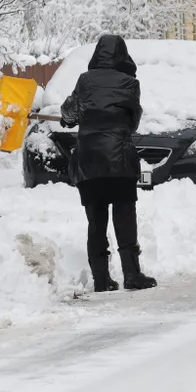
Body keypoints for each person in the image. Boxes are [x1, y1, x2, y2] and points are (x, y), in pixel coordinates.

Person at [61, 34, 158, 292]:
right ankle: (132, 274)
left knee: (96, 221)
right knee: (124, 216)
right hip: (119, 159)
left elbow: (69, 112)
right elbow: (133, 119)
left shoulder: (84, 80)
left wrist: (70, 120)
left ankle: (101, 279)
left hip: (89, 160)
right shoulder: (130, 83)